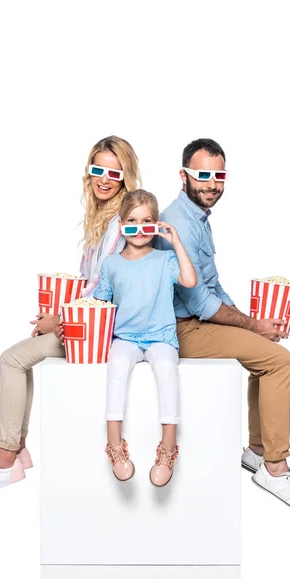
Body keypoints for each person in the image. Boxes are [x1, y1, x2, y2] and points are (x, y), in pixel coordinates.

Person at [0, 135, 141, 496]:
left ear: (126, 175)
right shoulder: (102, 217)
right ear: (88, 172)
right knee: (21, 357)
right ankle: (17, 449)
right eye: (97, 170)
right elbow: (88, 282)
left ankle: (5, 458)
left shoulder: (119, 221)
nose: (104, 179)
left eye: (114, 172)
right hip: (94, 321)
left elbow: (102, 288)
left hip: (108, 330)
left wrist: (59, 321)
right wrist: (57, 314)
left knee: (12, 359)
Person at [155, 138, 290, 512]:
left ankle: (257, 451)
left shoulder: (196, 216)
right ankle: (275, 468)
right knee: (281, 361)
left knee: (268, 354)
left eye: (219, 175)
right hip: (183, 330)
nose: (212, 184)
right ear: (183, 176)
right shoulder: (180, 221)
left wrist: (249, 324)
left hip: (198, 319)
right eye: (203, 175)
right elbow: (199, 302)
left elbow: (214, 285)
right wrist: (252, 325)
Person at [93, 189, 197, 487]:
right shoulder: (111, 264)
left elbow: (190, 280)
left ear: (157, 225)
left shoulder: (165, 259)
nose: (139, 230)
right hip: (124, 337)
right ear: (121, 223)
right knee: (116, 368)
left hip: (161, 336)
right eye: (132, 222)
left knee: (167, 371)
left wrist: (175, 242)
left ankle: (167, 449)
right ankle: (115, 446)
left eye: (147, 222)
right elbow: (100, 305)